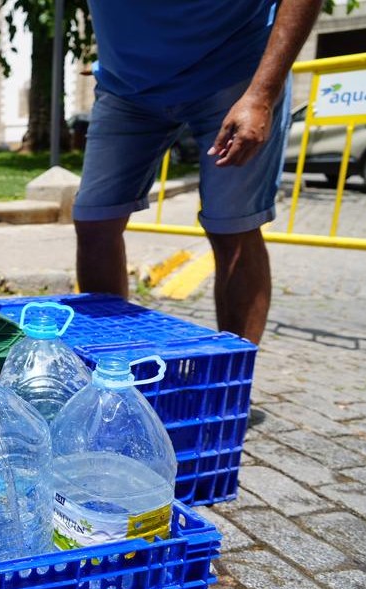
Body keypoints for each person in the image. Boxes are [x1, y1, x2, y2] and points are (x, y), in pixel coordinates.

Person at [73, 0, 322, 345]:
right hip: (126, 84)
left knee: (232, 228)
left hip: (234, 74)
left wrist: (262, 94)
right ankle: (110, 362)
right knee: (94, 220)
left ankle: (230, 383)